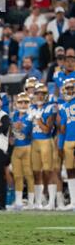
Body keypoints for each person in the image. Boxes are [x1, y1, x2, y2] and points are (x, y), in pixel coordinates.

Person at [30, 83, 57, 210]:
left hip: (46, 141)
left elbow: (47, 129)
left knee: (48, 171)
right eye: (37, 94)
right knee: (36, 172)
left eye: (42, 94)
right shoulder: (31, 107)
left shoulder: (50, 107)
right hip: (34, 142)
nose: (39, 96)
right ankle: (39, 201)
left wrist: (38, 121)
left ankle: (51, 201)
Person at [11, 92, 34, 210]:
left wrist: (21, 128)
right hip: (16, 148)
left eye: (26, 102)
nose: (23, 105)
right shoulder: (13, 115)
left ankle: (31, 201)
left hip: (28, 147)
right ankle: (19, 201)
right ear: (16, 103)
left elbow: (29, 134)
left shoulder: (31, 115)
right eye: (20, 102)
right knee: (17, 175)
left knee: (29, 175)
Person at [60, 78, 75, 210]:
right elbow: (62, 129)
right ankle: (73, 201)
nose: (70, 90)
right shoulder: (63, 107)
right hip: (68, 141)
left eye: (72, 88)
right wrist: (60, 145)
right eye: (68, 88)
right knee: (70, 170)